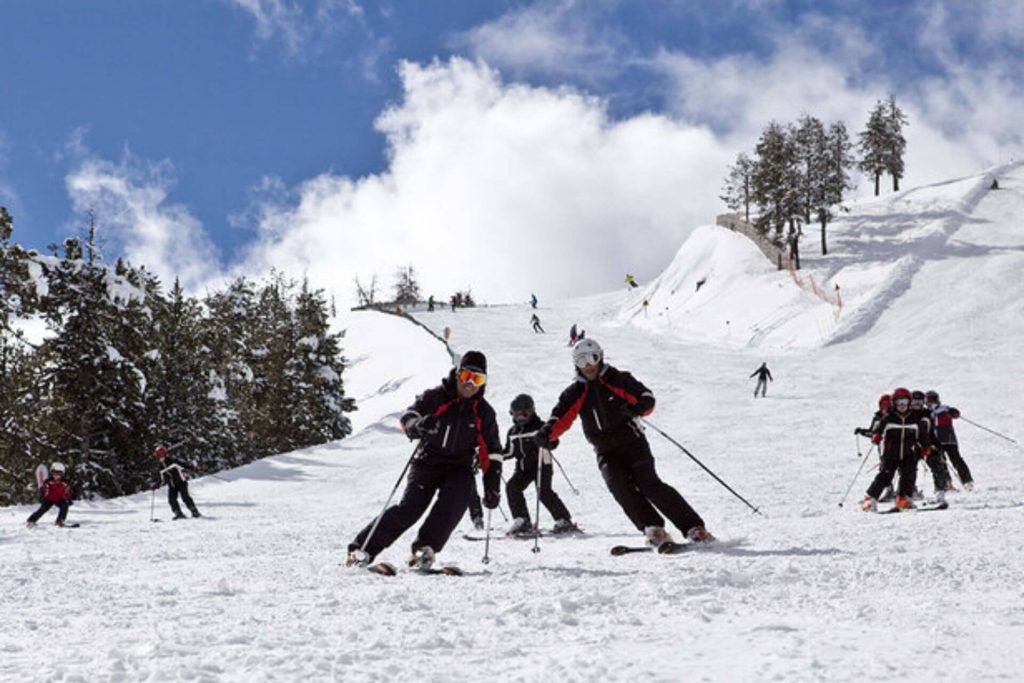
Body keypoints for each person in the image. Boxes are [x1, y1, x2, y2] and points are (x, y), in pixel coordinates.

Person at [535, 339, 714, 546]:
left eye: (592, 358)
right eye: (581, 361)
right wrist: (547, 433)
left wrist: (638, 407)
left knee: (649, 484)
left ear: (600, 357)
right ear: (575, 364)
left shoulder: (617, 379)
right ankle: (653, 528)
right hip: (605, 450)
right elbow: (560, 417)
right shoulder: (575, 392)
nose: (588, 366)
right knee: (618, 486)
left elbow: (646, 396)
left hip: (632, 443)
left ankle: (693, 527)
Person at [346, 351, 503, 570]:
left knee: (458, 496)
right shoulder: (436, 397)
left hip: (459, 466)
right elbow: (409, 416)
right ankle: (360, 551)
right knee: (409, 509)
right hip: (428, 461)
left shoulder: (483, 412)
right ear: (458, 374)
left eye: (477, 379)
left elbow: (491, 451)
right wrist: (418, 426)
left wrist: (492, 485)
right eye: (467, 375)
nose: (470, 384)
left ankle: (423, 550)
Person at [503, 394, 575, 536]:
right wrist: (493, 457)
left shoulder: (541, 427)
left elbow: (554, 441)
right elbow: (509, 452)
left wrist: (547, 442)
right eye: (515, 414)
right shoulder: (512, 432)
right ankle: (522, 520)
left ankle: (563, 519)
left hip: (542, 465)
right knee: (512, 487)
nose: (519, 418)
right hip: (523, 468)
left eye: (524, 414)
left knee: (543, 492)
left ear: (531, 411)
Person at [862, 387, 932, 512]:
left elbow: (923, 435)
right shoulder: (889, 418)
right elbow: (878, 430)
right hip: (891, 453)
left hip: (909, 453)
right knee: (885, 476)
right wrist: (876, 436)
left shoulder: (914, 419)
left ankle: (903, 499)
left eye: (905, 402)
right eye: (899, 402)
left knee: (909, 475)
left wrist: (925, 447)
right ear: (894, 403)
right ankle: (870, 499)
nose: (902, 405)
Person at [926, 390, 973, 490]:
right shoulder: (927, 413)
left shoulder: (943, 409)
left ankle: (967, 481)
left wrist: (953, 413)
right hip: (937, 440)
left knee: (956, 460)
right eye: (929, 400)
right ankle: (947, 483)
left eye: (932, 400)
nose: (930, 403)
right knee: (941, 462)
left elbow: (955, 413)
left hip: (948, 439)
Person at [912, 390, 951, 502]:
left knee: (938, 467)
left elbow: (931, 431)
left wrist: (937, 445)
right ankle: (910, 491)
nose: (917, 404)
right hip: (913, 446)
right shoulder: (908, 415)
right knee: (909, 469)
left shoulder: (927, 414)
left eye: (920, 401)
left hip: (928, 444)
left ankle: (940, 492)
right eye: (914, 401)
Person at [154, 445, 202, 519]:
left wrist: (194, 468)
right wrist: (156, 485)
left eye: (161, 455)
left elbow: (184, 465)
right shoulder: (161, 466)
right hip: (172, 485)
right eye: (158, 456)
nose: (160, 457)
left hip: (181, 482)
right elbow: (161, 479)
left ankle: (194, 511)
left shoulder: (172, 461)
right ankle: (178, 513)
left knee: (185, 497)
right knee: (171, 499)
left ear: (165, 454)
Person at [26, 462, 73, 527]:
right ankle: (31, 520)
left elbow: (66, 492)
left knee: (64, 506)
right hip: (49, 499)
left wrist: (68, 498)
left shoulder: (64, 483)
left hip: (59, 499)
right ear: (51, 473)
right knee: (43, 509)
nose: (56, 476)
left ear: (62, 474)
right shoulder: (49, 482)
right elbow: (45, 490)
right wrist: (42, 496)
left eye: (59, 474)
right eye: (55, 473)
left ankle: (60, 521)